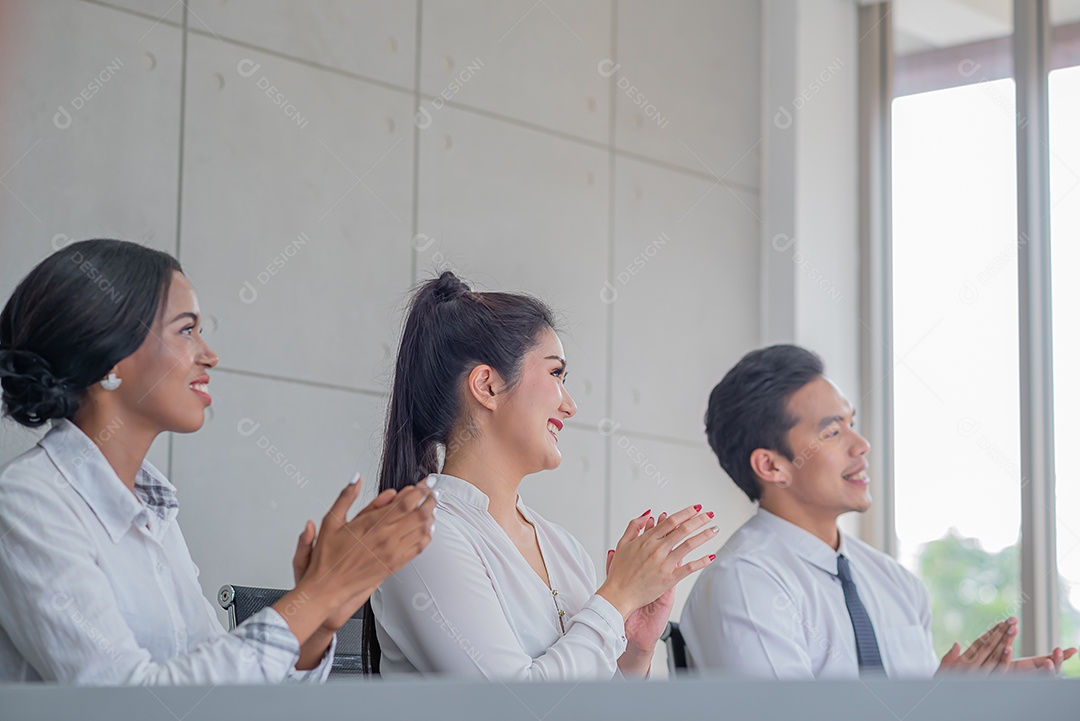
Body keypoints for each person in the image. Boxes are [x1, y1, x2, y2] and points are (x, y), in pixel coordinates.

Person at [0, 239, 436, 684]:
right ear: (110, 354)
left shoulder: (154, 512)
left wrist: (321, 621)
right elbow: (130, 704)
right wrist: (316, 594)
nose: (209, 355)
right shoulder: (28, 504)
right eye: (186, 330)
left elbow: (215, 693)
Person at [364, 271, 716, 679]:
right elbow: (516, 703)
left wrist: (634, 652)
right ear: (487, 386)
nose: (570, 406)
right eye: (555, 374)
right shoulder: (421, 537)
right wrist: (617, 598)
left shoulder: (563, 548)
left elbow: (594, 704)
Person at [680, 344, 1076, 678]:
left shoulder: (896, 583)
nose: (861, 444)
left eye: (852, 423)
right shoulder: (745, 584)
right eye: (832, 432)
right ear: (771, 466)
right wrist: (940, 705)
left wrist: (974, 702)